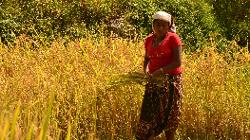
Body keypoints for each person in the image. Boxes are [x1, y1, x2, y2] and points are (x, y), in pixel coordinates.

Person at [136, 11, 183, 140]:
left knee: (169, 117)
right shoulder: (149, 40)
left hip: (171, 82)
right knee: (148, 116)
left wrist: (160, 71)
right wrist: (146, 71)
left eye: (163, 25)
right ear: (153, 25)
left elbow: (177, 62)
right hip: (153, 81)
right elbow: (147, 59)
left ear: (169, 26)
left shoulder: (173, 39)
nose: (160, 28)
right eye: (157, 25)